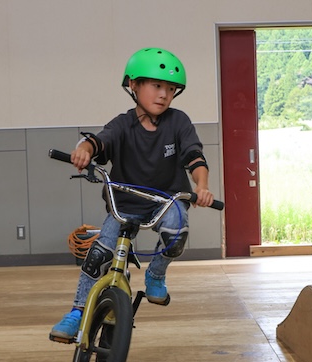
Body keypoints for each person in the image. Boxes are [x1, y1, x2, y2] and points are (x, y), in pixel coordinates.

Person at [50, 47, 215, 342]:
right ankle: (76, 312)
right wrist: (83, 152)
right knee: (98, 255)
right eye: (156, 85)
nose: (164, 94)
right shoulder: (123, 124)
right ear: (133, 85)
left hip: (166, 202)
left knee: (177, 234)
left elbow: (195, 157)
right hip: (124, 203)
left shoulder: (179, 122)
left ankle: (155, 274)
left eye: (170, 88)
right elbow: (98, 142)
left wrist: (201, 187)